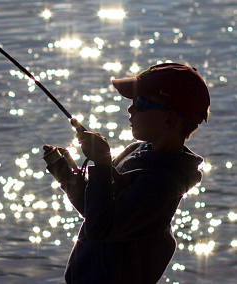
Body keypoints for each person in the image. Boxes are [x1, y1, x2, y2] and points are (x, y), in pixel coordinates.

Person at [43, 62, 210, 284]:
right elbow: (94, 210)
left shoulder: (163, 184)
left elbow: (99, 228)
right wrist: (64, 170)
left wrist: (103, 162)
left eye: (140, 103)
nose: (130, 109)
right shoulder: (136, 150)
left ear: (169, 119)